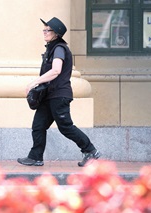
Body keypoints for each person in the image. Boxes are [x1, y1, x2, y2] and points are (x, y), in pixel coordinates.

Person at [17, 17, 101, 167]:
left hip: (59, 96)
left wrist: (34, 82)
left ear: (56, 33)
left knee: (65, 127)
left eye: (47, 30)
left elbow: (56, 70)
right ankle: (35, 157)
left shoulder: (59, 49)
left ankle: (90, 151)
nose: (44, 32)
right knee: (38, 126)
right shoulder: (51, 49)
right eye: (44, 29)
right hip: (48, 96)